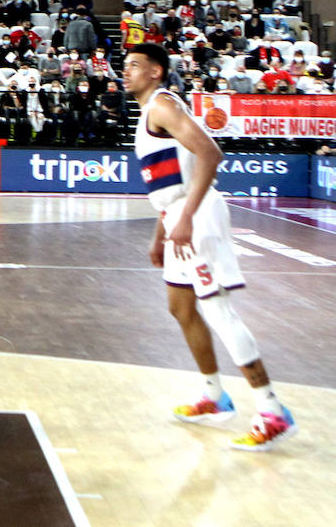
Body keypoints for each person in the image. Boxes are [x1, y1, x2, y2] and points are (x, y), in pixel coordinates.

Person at [122, 42, 295, 449]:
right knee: (180, 307)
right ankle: (214, 396)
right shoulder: (148, 113)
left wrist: (184, 219)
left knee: (218, 311)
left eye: (134, 66)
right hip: (178, 216)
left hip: (196, 215)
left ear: (156, 72)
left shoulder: (164, 107)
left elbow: (210, 153)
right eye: (124, 65)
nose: (125, 72)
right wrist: (161, 232)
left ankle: (273, 411)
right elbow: (168, 181)